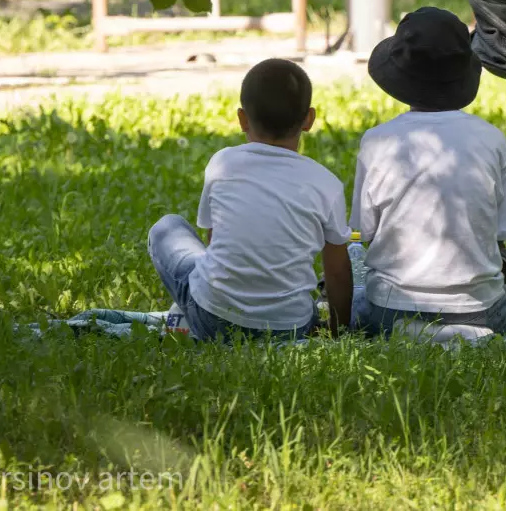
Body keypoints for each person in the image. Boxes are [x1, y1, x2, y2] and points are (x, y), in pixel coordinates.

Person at [351, 6, 506, 338]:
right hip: (480, 308)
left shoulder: (377, 142)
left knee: (358, 300)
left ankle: (420, 332)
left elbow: (363, 231)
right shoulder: (491, 139)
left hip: (393, 307)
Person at [146, 58, 355, 342]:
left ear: (242, 118)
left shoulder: (222, 163)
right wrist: (336, 329)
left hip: (213, 320)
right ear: (309, 119)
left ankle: (188, 315)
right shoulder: (326, 183)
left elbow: (213, 239)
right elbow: (338, 269)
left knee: (167, 228)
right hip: (291, 325)